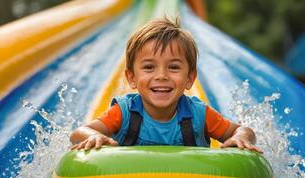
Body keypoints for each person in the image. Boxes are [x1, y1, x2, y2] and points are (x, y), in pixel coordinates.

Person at [70, 17, 262, 153]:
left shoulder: (199, 114)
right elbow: (79, 133)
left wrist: (240, 137)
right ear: (132, 78)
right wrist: (93, 137)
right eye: (149, 67)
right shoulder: (125, 112)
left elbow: (241, 131)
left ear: (189, 78)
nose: (161, 76)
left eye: (173, 67)